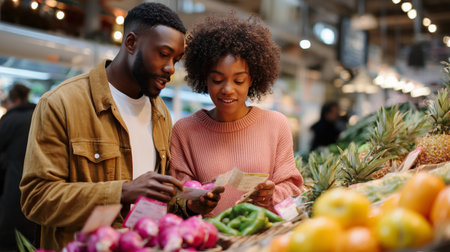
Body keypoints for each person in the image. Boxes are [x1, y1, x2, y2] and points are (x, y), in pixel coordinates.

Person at [20, 3, 189, 250]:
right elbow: (37, 199)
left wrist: (187, 203)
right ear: (131, 43)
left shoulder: (161, 112)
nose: (171, 69)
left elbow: (151, 199)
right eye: (163, 54)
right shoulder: (62, 103)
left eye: (176, 59)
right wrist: (121, 191)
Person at [169, 15, 304, 217]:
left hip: (262, 242)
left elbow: (293, 188)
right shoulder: (184, 130)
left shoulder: (276, 124)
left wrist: (271, 195)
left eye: (238, 81)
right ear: (205, 78)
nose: (227, 89)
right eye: (217, 80)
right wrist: (195, 205)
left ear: (252, 80)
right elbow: (177, 198)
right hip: (208, 243)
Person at [0, 84, 38, 250]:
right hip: (37, 188)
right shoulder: (39, 116)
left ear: (12, 100)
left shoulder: (9, 120)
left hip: (12, 188)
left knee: (10, 240)